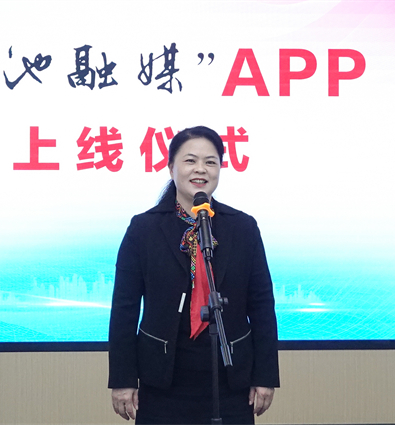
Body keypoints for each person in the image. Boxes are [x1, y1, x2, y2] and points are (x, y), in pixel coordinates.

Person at [108, 126, 279, 424]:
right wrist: (122, 379)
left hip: (231, 382)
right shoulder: (144, 229)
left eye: (210, 162)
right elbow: (124, 308)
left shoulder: (242, 227)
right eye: (190, 160)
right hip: (162, 383)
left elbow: (262, 305)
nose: (201, 169)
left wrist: (265, 375)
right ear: (170, 167)